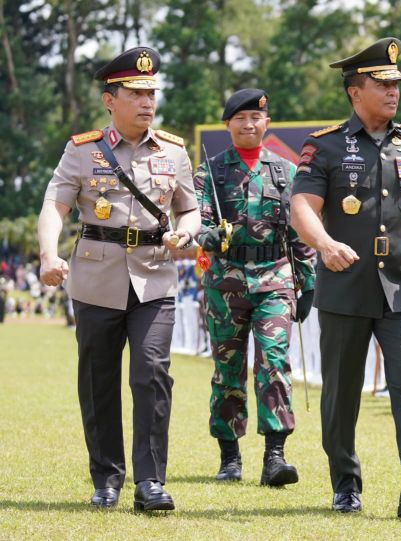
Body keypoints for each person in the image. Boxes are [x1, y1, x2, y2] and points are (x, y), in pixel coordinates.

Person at [289, 38, 401, 519]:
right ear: (354, 91)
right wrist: (323, 244)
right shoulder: (324, 145)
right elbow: (302, 206)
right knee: (341, 393)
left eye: (396, 84)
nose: (392, 91)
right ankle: (345, 484)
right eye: (381, 84)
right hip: (345, 285)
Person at [37, 46, 200, 511]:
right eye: (136, 93)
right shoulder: (82, 150)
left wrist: (185, 232)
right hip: (95, 277)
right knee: (99, 380)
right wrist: (49, 253)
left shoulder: (174, 151)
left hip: (155, 277)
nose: (148, 102)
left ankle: (151, 483)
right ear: (111, 100)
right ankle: (106, 477)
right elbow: (55, 206)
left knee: (152, 373)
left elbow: (189, 206)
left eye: (152, 92)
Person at [194, 88, 316, 486]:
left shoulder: (287, 171)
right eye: (240, 119)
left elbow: (301, 232)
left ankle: (275, 457)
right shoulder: (209, 172)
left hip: (275, 277)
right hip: (226, 281)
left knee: (274, 363)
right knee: (228, 369)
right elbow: (198, 221)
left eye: (256, 118)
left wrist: (307, 282)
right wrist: (210, 236)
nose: (249, 125)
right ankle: (230, 457)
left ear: (267, 122)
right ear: (228, 124)